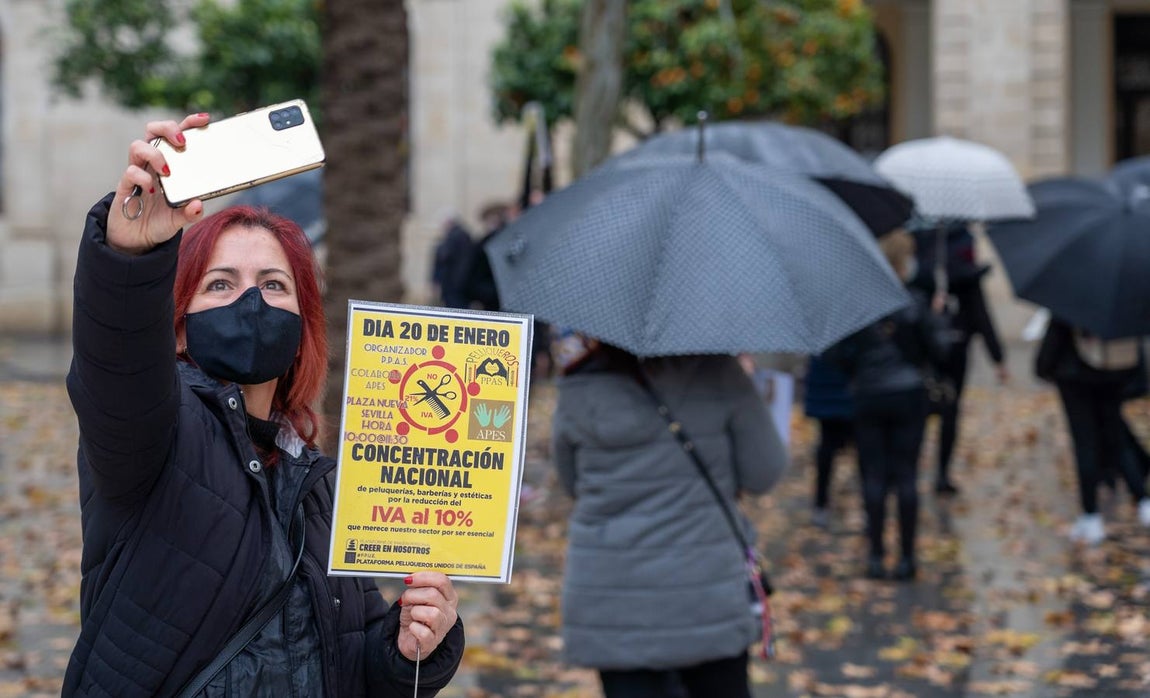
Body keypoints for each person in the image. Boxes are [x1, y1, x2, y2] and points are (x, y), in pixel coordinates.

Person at [64, 113, 464, 696]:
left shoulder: (323, 486)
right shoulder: (156, 433)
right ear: (177, 326)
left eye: (274, 285)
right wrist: (128, 259)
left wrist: (412, 649)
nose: (251, 300)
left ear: (302, 326)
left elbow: (347, 666)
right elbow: (115, 360)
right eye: (220, 284)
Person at [550, 335, 788, 698]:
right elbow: (763, 473)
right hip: (706, 591)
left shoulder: (579, 384)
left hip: (614, 599)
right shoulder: (720, 373)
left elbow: (572, 484)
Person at [825, 230, 948, 581]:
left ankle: (877, 555)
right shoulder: (917, 302)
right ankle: (907, 557)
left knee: (874, 475)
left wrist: (858, 371)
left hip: (868, 394)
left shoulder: (860, 306)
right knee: (907, 475)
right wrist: (938, 318)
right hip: (909, 395)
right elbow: (940, 352)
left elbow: (834, 354)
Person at [909, 222, 1008, 495]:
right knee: (948, 410)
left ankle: (926, 473)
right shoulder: (955, 252)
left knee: (932, 409)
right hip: (950, 344)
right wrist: (997, 357)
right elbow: (980, 311)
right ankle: (939, 473)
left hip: (935, 346)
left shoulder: (923, 247)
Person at [1034, 317, 1150, 544]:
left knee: (1085, 442)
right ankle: (1143, 501)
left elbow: (1057, 332)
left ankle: (1091, 517)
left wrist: (1043, 367)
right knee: (1116, 437)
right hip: (1114, 371)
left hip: (1075, 374)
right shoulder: (1122, 290)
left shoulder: (1075, 291)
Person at [802, 354, 855, 529]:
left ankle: (821, 504)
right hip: (852, 388)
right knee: (860, 451)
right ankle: (868, 507)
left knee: (826, 448)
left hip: (828, 390)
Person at [430, 211, 475, 309]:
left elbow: (445, 256)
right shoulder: (461, 235)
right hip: (458, 283)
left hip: (454, 283)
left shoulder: (456, 236)